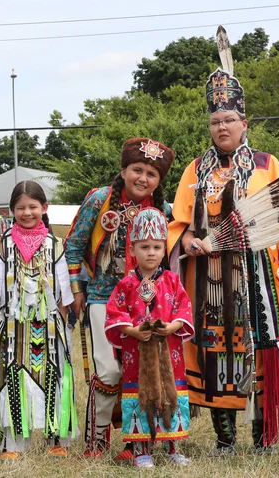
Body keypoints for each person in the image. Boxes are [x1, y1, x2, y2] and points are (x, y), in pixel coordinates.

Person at [168, 64, 279, 455]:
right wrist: (193, 241)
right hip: (211, 276)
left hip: (260, 276)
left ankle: (264, 438)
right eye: (215, 121)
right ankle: (224, 438)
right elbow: (179, 223)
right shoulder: (195, 170)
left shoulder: (268, 164)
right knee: (215, 351)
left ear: (244, 122)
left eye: (230, 120)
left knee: (263, 351)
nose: (222, 127)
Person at [65, 137, 175, 458]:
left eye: (151, 174)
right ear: (124, 169)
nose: (143, 178)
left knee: (139, 371)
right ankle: (96, 442)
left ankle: (135, 443)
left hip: (145, 303)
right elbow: (73, 244)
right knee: (109, 371)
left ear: (159, 181)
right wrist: (77, 292)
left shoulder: (161, 210)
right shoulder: (100, 200)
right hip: (101, 297)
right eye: (137, 170)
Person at [0, 180, 77, 459]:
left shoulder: (56, 245)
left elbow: (63, 295)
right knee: (12, 377)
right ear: (11, 211)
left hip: (49, 326)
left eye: (33, 207)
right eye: (20, 208)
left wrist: (63, 331)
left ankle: (57, 441)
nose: (27, 213)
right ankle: (13, 443)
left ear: (44, 208)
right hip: (12, 326)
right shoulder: (0, 244)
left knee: (54, 376)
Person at [105, 208, 193, 468]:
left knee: (170, 394)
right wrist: (132, 331)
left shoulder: (173, 280)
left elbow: (183, 309)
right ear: (132, 251)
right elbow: (114, 313)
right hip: (137, 357)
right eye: (144, 247)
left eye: (156, 247)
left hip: (170, 354)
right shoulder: (126, 284)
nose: (151, 252)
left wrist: (172, 326)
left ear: (164, 250)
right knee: (140, 396)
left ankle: (173, 446)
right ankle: (142, 450)